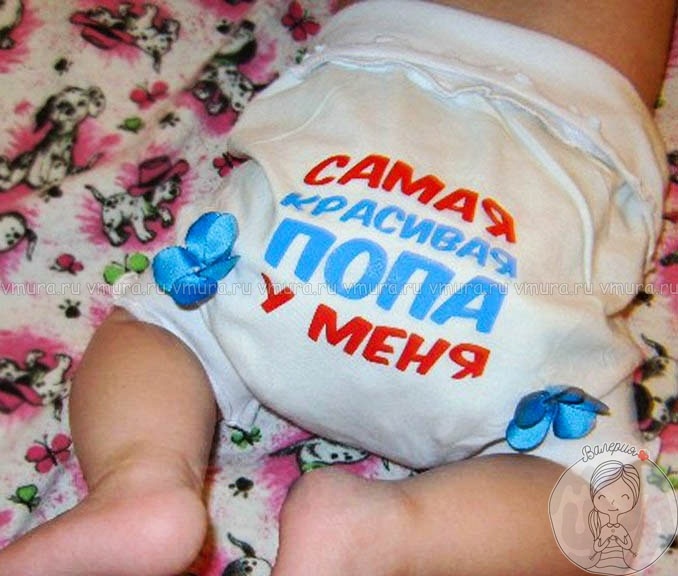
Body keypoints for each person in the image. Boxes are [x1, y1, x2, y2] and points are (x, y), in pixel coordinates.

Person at [0, 1, 674, 575]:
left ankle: (142, 480)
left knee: (164, 327)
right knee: (598, 507)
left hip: (351, 126)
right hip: (552, 179)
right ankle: (382, 533)